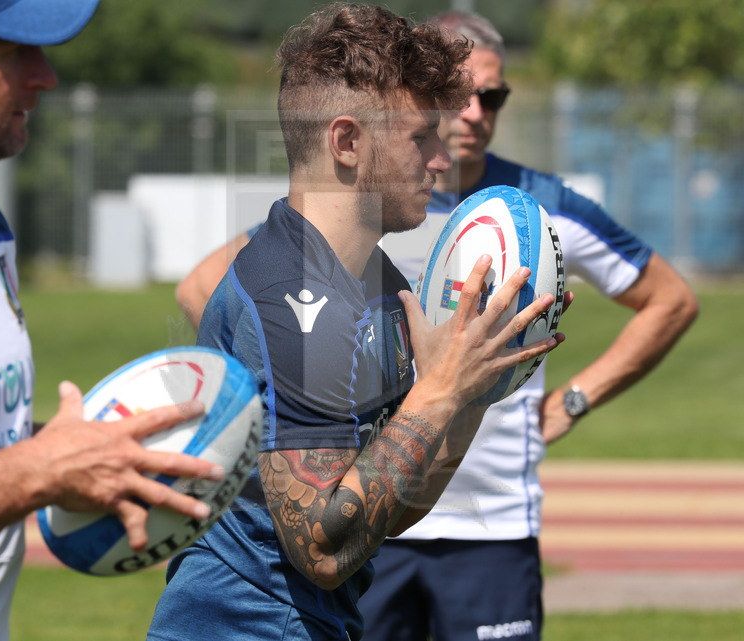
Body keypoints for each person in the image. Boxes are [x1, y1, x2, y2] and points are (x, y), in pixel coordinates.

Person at [174, 9, 699, 641]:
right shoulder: (295, 299)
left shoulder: (374, 281)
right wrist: (442, 389)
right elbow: (324, 547)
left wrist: (476, 387)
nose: (438, 157)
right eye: (421, 135)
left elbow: (388, 513)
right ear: (347, 142)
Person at [0, 3, 225, 640]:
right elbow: (22, 468)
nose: (45, 76)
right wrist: (40, 469)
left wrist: (97, 454)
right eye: (16, 51)